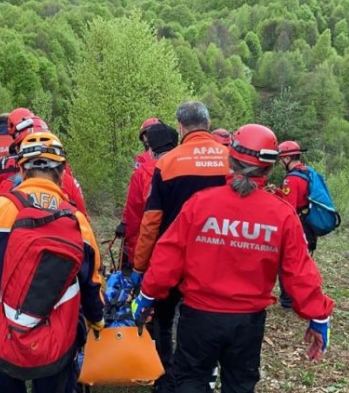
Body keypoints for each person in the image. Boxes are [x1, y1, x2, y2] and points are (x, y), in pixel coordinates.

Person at [131, 123, 334, 393]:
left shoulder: (200, 204)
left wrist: (146, 294)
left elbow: (169, 256)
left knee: (190, 380)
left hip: (199, 318)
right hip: (246, 324)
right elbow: (298, 273)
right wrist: (318, 318)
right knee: (239, 385)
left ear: (230, 158)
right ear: (270, 167)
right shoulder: (281, 215)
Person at [0, 130, 104, 393]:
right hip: (57, 341)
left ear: (22, 171)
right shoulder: (77, 222)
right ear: (61, 173)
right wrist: (96, 319)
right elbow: (92, 285)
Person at [132, 101, 229, 392]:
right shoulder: (230, 159)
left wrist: (140, 266)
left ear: (181, 126)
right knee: (209, 316)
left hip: (173, 256)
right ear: (209, 124)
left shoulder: (167, 163)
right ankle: (206, 374)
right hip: (219, 254)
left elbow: (151, 221)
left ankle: (166, 377)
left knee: (163, 320)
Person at [122, 123, 179, 268]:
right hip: (179, 250)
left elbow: (134, 217)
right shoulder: (188, 169)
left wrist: (134, 257)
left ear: (151, 149)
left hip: (150, 249)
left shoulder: (142, 173)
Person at [115, 118, 171, 255]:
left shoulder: (142, 161)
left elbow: (132, 196)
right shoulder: (176, 156)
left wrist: (125, 222)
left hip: (146, 215)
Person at [277, 140, 317, 308]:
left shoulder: (291, 179)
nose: (279, 163)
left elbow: (289, 208)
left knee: (287, 261)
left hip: (297, 224)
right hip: (308, 223)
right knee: (301, 260)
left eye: (280, 159)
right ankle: (302, 297)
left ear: (287, 159)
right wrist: (278, 192)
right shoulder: (307, 172)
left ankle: (288, 299)